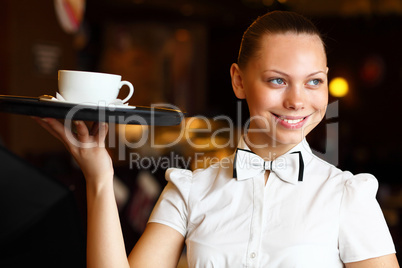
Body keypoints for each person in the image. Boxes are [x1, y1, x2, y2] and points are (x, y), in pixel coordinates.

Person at [34, 10, 399, 268]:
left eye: (313, 81)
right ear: (239, 80)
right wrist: (99, 177)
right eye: (277, 80)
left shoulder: (348, 196)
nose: (297, 100)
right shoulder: (189, 189)